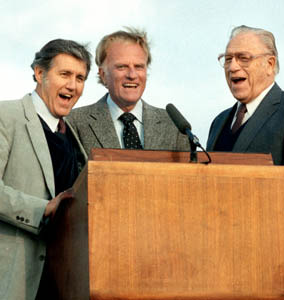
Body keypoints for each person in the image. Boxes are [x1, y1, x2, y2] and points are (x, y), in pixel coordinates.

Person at [0, 39, 91, 300]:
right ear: (40, 73)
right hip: (14, 281)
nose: (73, 86)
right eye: (64, 74)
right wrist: (42, 209)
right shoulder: (6, 116)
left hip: (65, 280)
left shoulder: (72, 135)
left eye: (80, 78)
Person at [68, 28, 189, 155]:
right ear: (103, 75)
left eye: (139, 67)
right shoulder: (74, 123)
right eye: (122, 67)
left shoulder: (175, 126)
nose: (132, 75)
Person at [206, 25, 284, 165]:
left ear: (269, 64)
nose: (232, 67)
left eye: (243, 58)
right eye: (228, 59)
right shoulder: (218, 121)